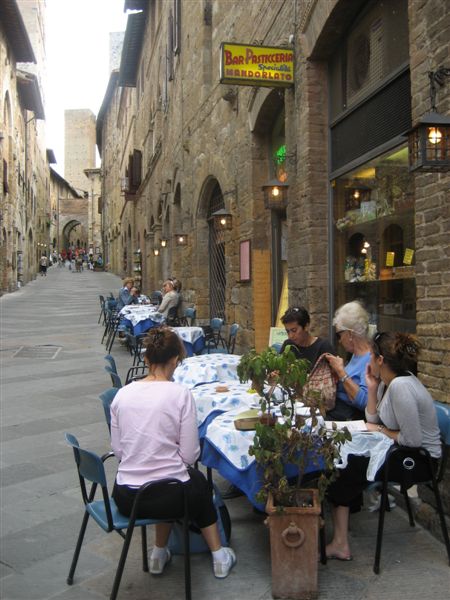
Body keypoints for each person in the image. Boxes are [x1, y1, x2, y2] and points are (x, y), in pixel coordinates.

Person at [110, 327, 236, 577]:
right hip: (170, 496)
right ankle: (219, 555)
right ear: (176, 360)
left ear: (146, 359)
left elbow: (119, 450)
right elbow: (190, 455)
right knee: (195, 483)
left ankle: (158, 553)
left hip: (127, 497)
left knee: (170, 481)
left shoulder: (122, 395)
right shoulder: (180, 394)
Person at [325, 331, 441, 561]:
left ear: (379, 360)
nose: (367, 360)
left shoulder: (401, 387)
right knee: (343, 459)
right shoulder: (386, 383)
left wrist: (380, 431)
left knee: (345, 467)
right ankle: (342, 530)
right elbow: (373, 419)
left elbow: (412, 439)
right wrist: (371, 387)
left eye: (371, 356)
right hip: (404, 452)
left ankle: (340, 542)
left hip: (419, 461)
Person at [324, 301, 372, 421]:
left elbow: (365, 402)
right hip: (339, 414)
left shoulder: (371, 359)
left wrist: (341, 371)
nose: (339, 341)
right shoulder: (355, 355)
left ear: (350, 333)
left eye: (339, 335)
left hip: (350, 420)